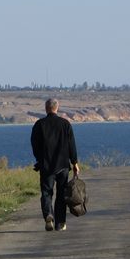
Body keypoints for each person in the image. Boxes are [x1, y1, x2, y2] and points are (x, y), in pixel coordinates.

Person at [30, 98, 79, 231]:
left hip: (46, 166)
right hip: (63, 165)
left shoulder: (39, 125)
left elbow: (34, 145)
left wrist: (40, 159)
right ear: (57, 108)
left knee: (46, 192)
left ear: (46, 108)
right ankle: (60, 223)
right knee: (61, 194)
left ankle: (48, 215)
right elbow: (71, 145)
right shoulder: (65, 124)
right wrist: (74, 162)